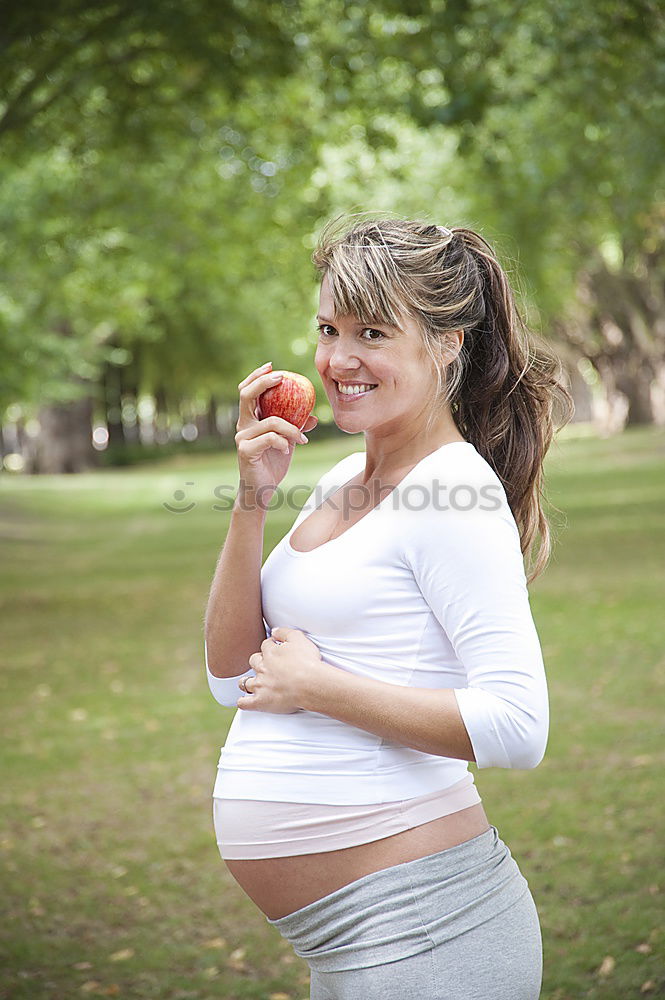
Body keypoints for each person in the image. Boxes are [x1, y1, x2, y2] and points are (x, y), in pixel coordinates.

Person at [203, 216, 574, 1000]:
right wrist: (251, 501)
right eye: (328, 328)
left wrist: (319, 687)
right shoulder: (340, 476)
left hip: (428, 927)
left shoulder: (455, 493)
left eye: (372, 330)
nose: (339, 360)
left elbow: (518, 726)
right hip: (351, 944)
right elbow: (232, 676)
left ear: (446, 343)